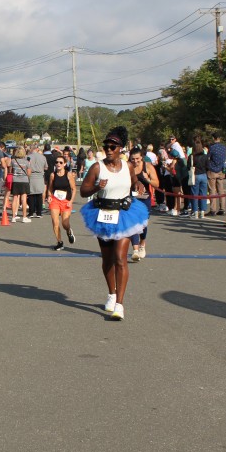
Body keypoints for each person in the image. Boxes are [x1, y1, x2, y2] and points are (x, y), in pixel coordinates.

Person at [79, 126, 149, 321]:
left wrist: (138, 184)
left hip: (124, 214)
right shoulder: (97, 167)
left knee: (120, 258)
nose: (108, 150)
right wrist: (96, 187)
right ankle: (111, 293)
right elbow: (83, 191)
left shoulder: (128, 166)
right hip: (102, 214)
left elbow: (133, 181)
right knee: (107, 259)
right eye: (106, 147)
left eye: (113, 147)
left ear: (120, 149)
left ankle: (120, 304)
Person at [127, 147, 159, 260]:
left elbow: (157, 184)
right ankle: (135, 250)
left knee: (143, 225)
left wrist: (147, 179)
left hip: (145, 199)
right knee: (133, 223)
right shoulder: (127, 167)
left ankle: (142, 243)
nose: (135, 161)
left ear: (142, 158)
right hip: (131, 199)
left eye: (137, 159)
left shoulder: (148, 167)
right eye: (133, 159)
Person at [46, 153, 76, 250]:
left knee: (65, 223)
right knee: (55, 222)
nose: (58, 164)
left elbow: (74, 189)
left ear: (64, 164)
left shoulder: (68, 175)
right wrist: (49, 196)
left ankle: (69, 231)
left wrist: (71, 201)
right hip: (55, 200)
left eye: (61, 162)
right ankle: (59, 242)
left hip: (66, 201)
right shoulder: (52, 175)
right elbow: (50, 188)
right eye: (57, 162)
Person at [186, 136, 209, 219]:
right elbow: (208, 166)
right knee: (203, 193)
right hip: (204, 175)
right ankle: (202, 211)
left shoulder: (191, 156)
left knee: (194, 194)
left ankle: (195, 211)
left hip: (195, 175)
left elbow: (188, 167)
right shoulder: (205, 156)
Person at [206, 133, 226, 216]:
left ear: (213, 138)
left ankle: (213, 210)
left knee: (212, 190)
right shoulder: (223, 147)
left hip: (212, 170)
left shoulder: (212, 147)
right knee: (221, 190)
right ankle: (222, 208)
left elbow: (208, 157)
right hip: (221, 170)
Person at [9, 147, 31, 222]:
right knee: (24, 199)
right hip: (24, 181)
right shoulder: (27, 162)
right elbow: (29, 173)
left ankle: (13, 217)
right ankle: (24, 217)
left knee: (15, 198)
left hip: (15, 180)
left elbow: (10, 171)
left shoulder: (13, 161)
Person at [27, 144, 48, 218]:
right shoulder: (43, 157)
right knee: (39, 195)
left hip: (31, 176)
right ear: (37, 149)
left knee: (31, 195)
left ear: (31, 149)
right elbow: (46, 167)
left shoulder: (28, 157)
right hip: (40, 176)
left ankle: (31, 212)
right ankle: (39, 212)